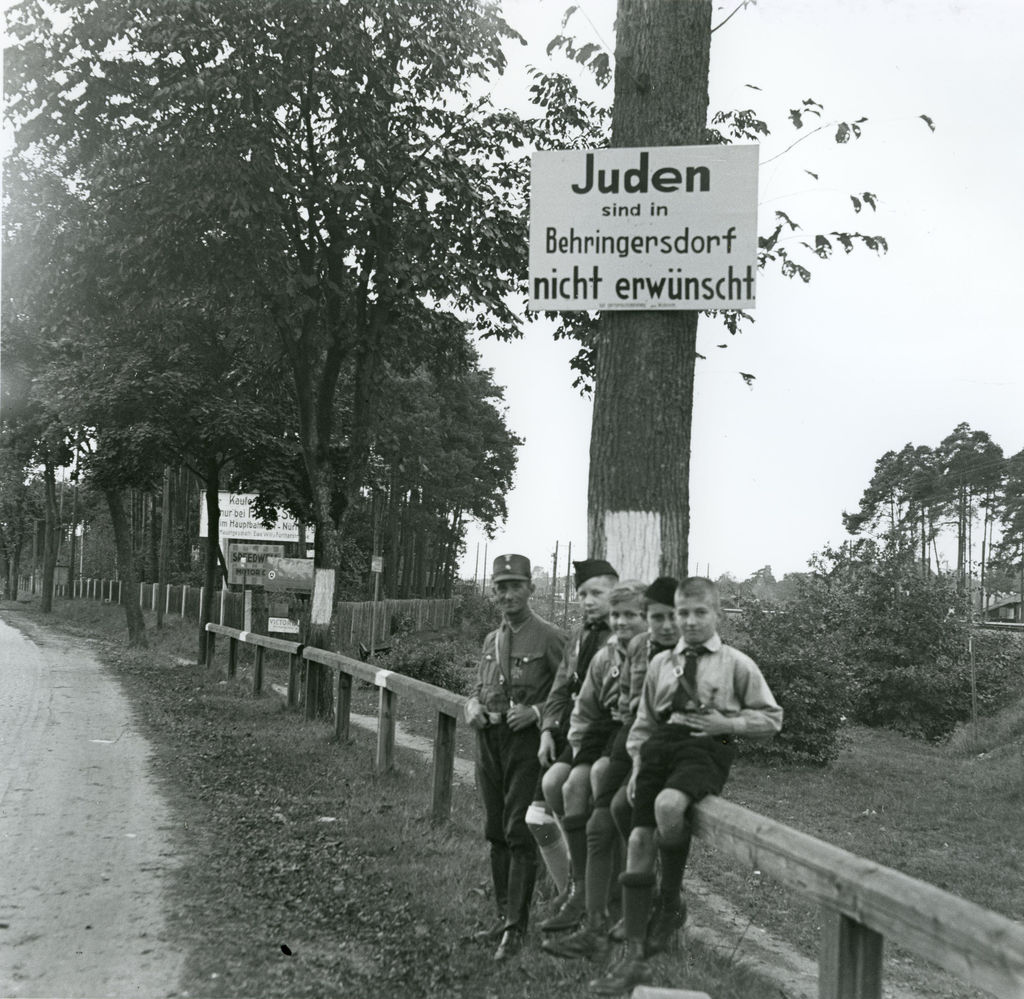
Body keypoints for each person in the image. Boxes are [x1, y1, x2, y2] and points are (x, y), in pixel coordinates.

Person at [590, 576, 783, 995]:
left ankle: (671, 900)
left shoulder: (736, 663)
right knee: (639, 840)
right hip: (660, 747)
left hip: (706, 748)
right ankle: (634, 959)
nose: (690, 621)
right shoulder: (662, 664)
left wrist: (728, 723)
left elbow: (772, 718)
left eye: (700, 613)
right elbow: (644, 721)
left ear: (717, 614)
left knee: (669, 807)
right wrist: (638, 764)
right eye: (683, 613)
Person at [543, 576, 679, 959]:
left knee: (612, 808)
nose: (621, 623)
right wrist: (576, 751)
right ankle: (589, 907)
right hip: (617, 740)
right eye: (615, 616)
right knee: (591, 803)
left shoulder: (662, 655)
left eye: (631, 615)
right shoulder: (607, 655)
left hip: (646, 748)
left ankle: (627, 904)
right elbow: (586, 708)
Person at [464, 554, 568, 961]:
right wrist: (471, 704)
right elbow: (478, 685)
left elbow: (570, 696)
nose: (507, 594)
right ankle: (502, 916)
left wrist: (540, 713)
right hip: (488, 740)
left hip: (525, 745)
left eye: (515, 586)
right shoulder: (492, 639)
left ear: (531, 589)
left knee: (518, 831)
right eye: (500, 587)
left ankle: (516, 928)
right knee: (494, 829)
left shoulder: (551, 637)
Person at [529, 558, 619, 930]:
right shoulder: (581, 636)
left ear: (616, 590)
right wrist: (548, 728)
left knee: (583, 794)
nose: (588, 600)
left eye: (597, 592)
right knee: (547, 797)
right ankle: (575, 887)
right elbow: (561, 687)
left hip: (612, 733)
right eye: (582, 594)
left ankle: (595, 897)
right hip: (578, 732)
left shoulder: (627, 635)